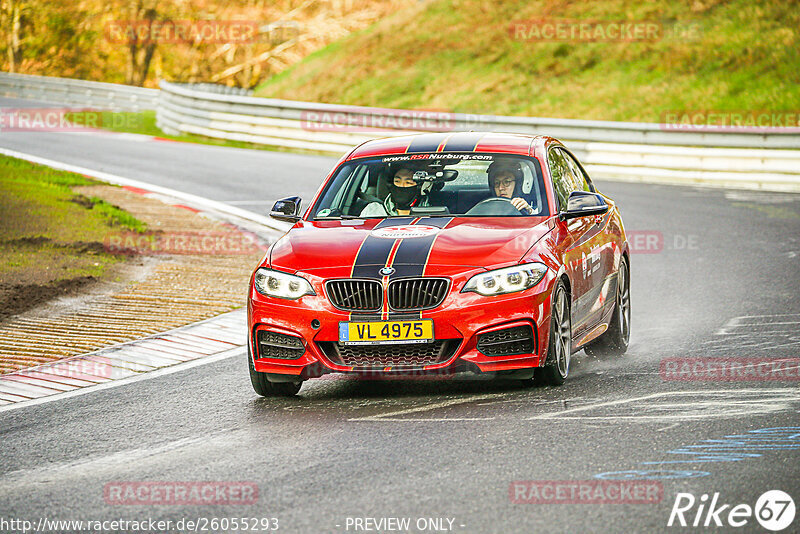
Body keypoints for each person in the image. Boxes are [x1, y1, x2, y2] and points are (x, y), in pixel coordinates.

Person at [360, 166, 429, 217]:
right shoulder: (373, 211)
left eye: (408, 182)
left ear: (420, 186)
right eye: (397, 181)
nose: (402, 186)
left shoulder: (431, 212)